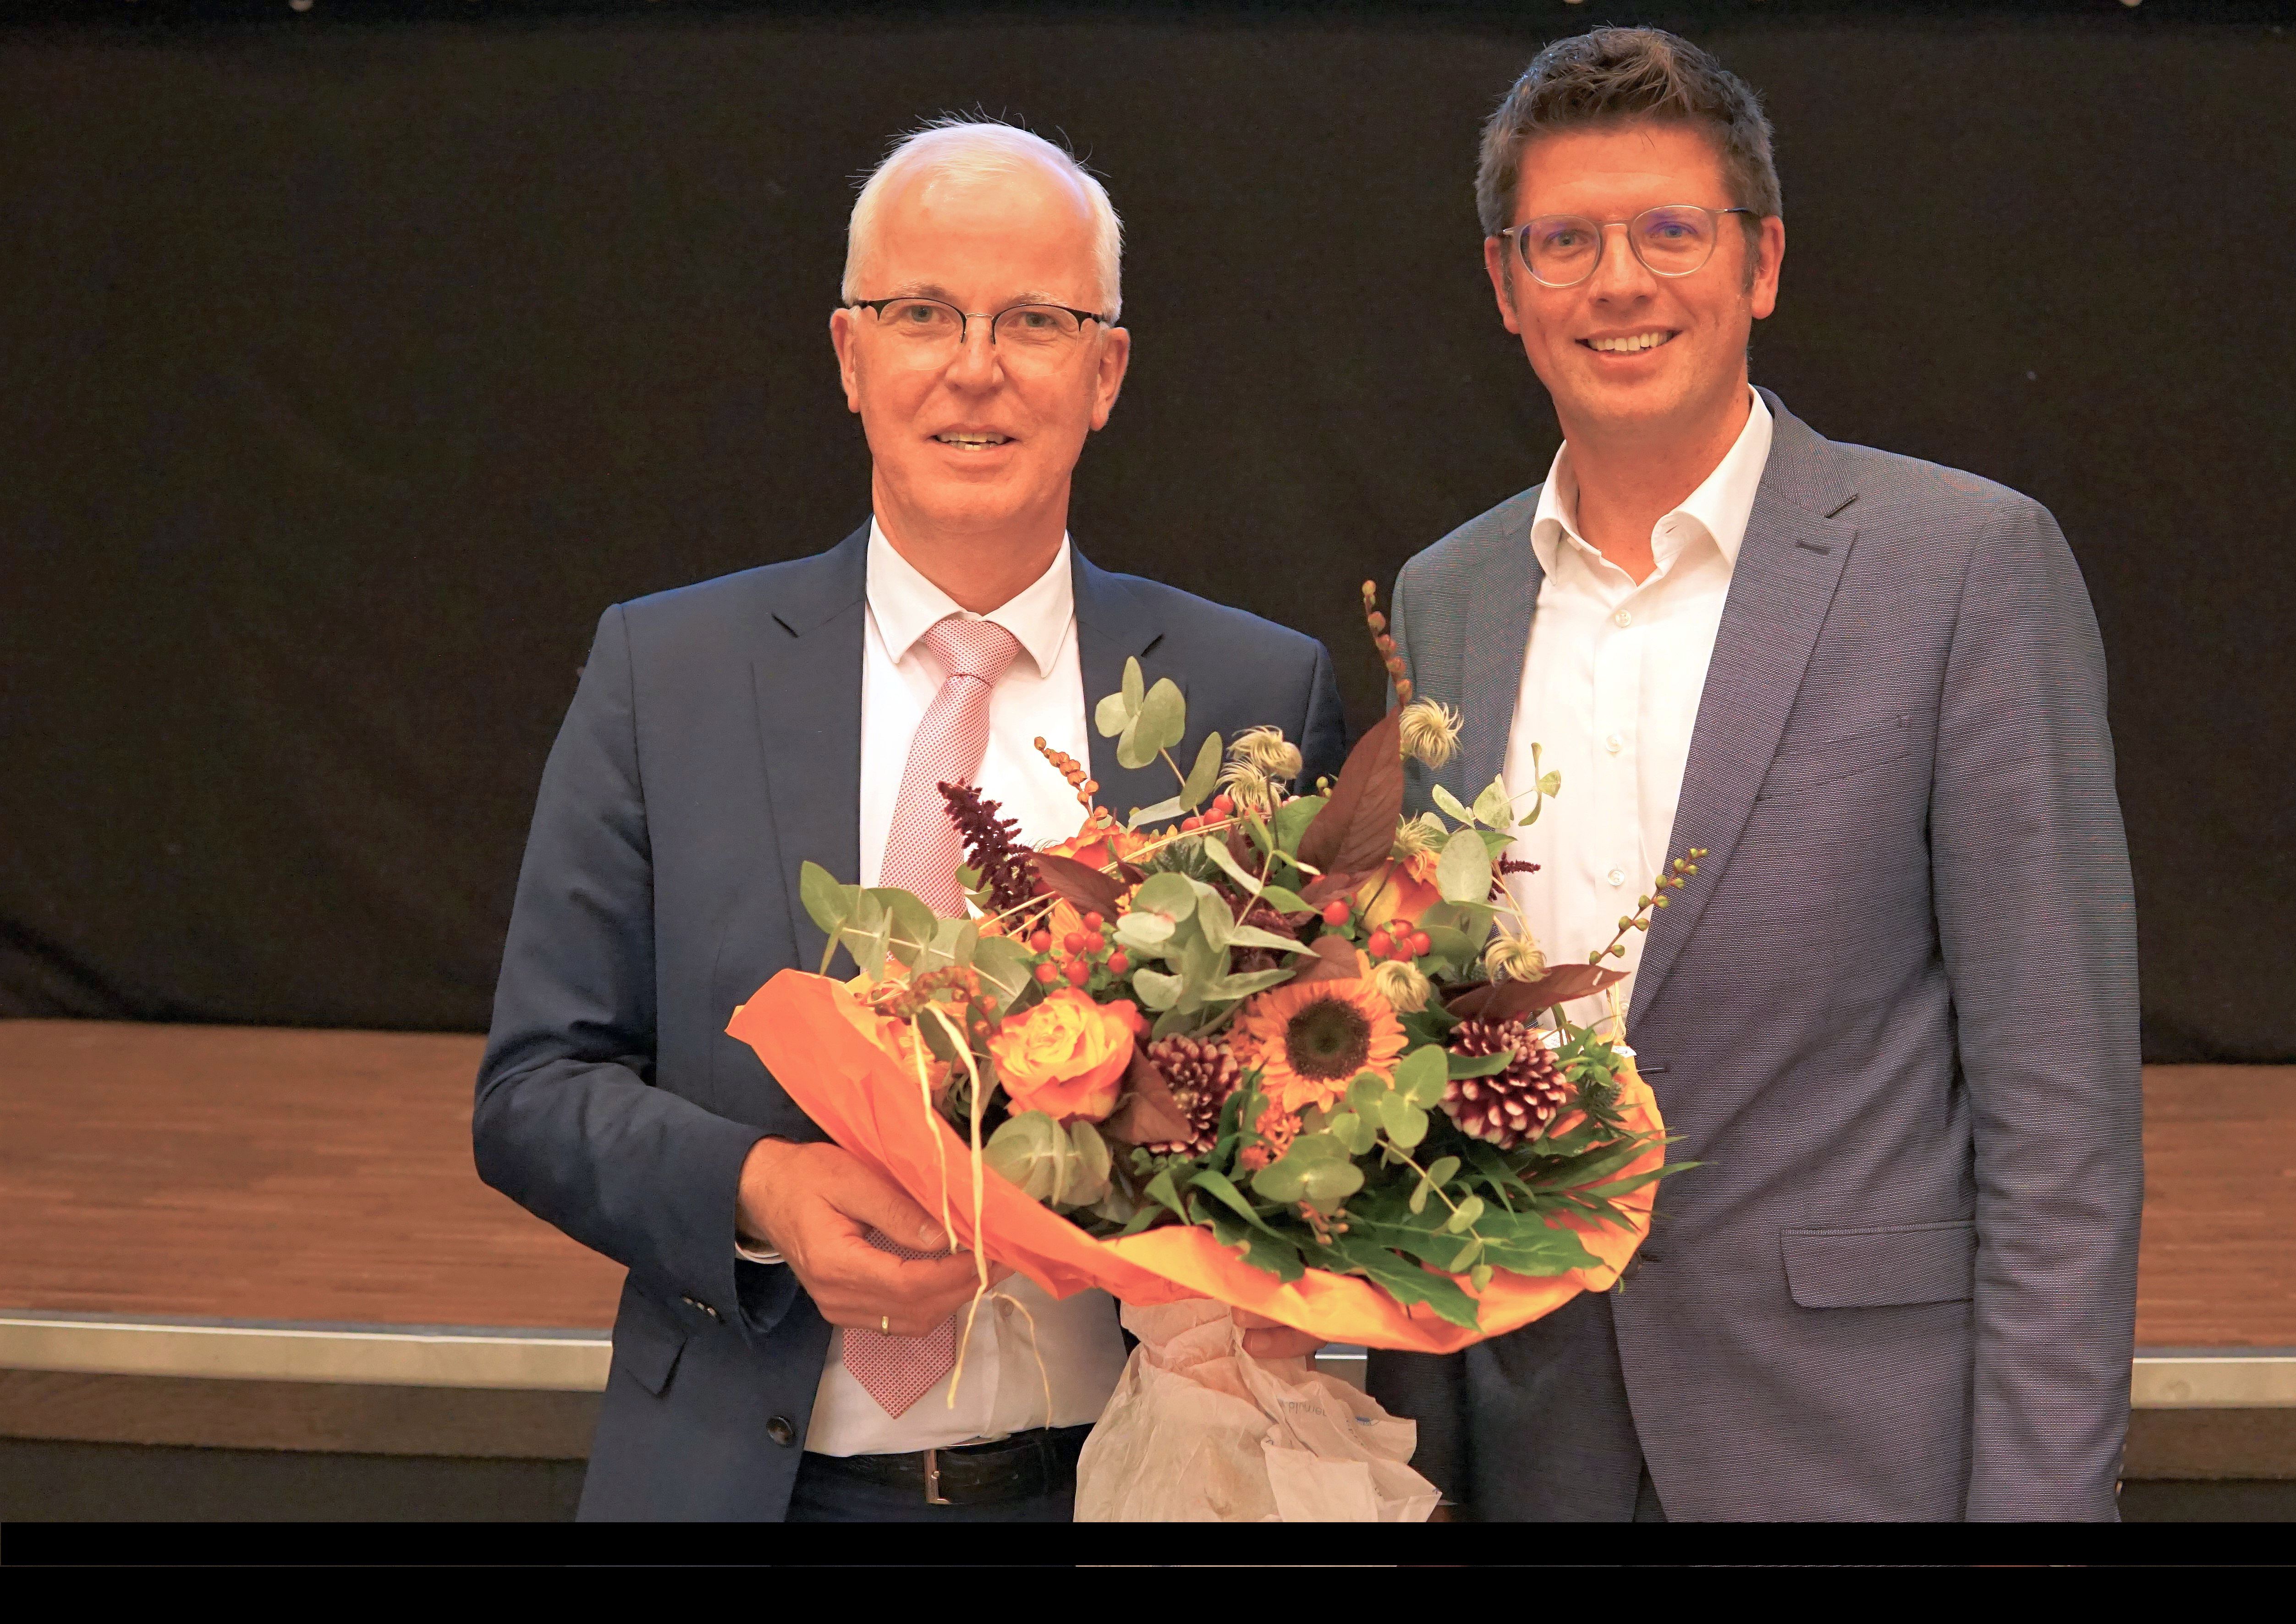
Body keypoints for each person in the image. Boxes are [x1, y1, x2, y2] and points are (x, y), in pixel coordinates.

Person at [475, 119, 1346, 1522]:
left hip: (1115, 1486)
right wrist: (760, 1188)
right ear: (848, 356)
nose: (975, 364)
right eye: (922, 312)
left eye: (1038, 319)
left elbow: (1313, 1106)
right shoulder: (668, 672)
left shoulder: (1253, 694)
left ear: (1107, 370)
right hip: (746, 1491)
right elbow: (532, 1094)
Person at [1366, 28, 2142, 1521]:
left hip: (1862, 1448)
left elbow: (2063, 1127)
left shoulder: (1963, 567)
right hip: (1541, 1445)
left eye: (1673, 230)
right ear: (1505, 285)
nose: (1620, 281)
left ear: (1762, 261)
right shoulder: (1447, 597)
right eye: (1566, 240)